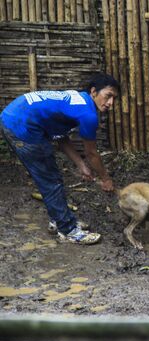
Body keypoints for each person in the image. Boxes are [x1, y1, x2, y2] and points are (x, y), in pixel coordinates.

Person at [0, 73, 119, 245]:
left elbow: (61, 138)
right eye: (108, 96)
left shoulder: (77, 100)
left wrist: (81, 165)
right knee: (49, 179)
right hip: (21, 124)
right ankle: (68, 230)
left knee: (51, 176)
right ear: (94, 92)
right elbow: (92, 153)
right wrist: (105, 179)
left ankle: (59, 219)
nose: (111, 104)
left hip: (16, 115)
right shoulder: (88, 114)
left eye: (114, 98)